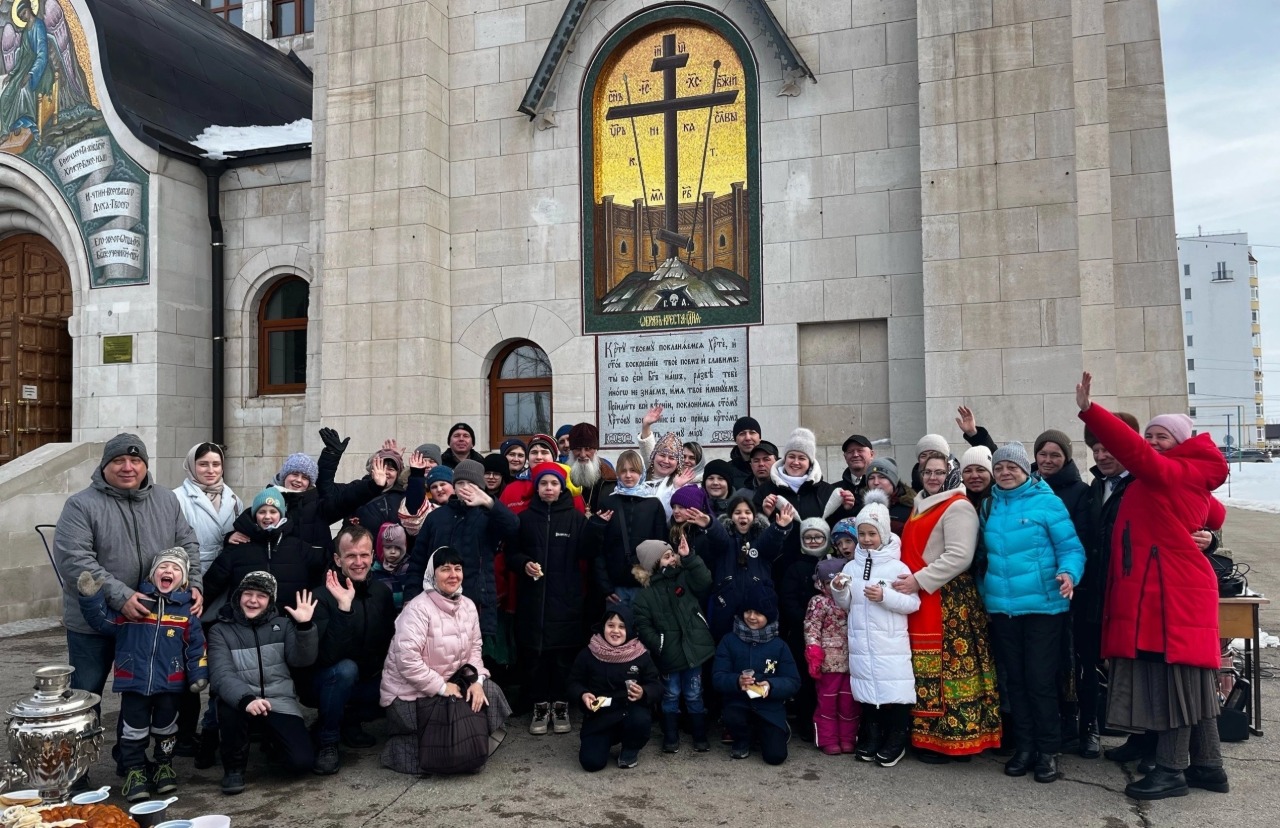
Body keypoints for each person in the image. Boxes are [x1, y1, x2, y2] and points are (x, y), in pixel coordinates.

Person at [1076, 372, 1231, 800]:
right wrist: (1202, 528)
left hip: (1174, 592)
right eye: (1149, 435)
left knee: (1175, 685)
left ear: (1180, 443)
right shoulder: (1176, 476)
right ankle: (1209, 767)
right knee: (1190, 683)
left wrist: (1091, 411)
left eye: (1162, 436)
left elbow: (1137, 455)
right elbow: (1214, 513)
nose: (1153, 442)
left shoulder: (1168, 472)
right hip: (1169, 588)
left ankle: (1171, 770)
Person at [53, 433, 201, 773]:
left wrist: (194, 583)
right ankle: (76, 771)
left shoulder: (165, 500)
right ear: (105, 465)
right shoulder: (81, 505)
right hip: (93, 622)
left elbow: (188, 545)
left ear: (145, 465)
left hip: (149, 622)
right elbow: (75, 561)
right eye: (119, 460)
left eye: (135, 461)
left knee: (141, 692)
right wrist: (121, 596)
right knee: (86, 695)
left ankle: (129, 759)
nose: (128, 467)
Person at [981, 442, 1086, 784]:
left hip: (1044, 606)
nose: (1005, 472)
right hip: (1003, 608)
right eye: (999, 468)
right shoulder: (991, 505)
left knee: (1040, 680)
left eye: (1012, 467)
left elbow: (1071, 548)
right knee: (1016, 680)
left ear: (1026, 471)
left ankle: (1048, 750)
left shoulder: (1047, 502)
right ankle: (1024, 748)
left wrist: (1069, 574)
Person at [893, 448, 1002, 761]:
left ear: (951, 474)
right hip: (923, 595)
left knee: (950, 670)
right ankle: (929, 737)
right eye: (928, 472)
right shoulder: (920, 504)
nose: (933, 477)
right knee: (926, 668)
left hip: (948, 600)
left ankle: (956, 741)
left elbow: (959, 556)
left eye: (939, 472)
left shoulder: (958, 506)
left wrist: (918, 580)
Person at [77, 548, 207, 801]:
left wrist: (198, 675)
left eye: (176, 569)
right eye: (163, 567)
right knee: (133, 731)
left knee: (167, 728)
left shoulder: (186, 612)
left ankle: (163, 766)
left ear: (184, 580)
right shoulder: (135, 604)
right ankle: (135, 771)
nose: (169, 571)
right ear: (152, 574)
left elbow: (196, 647)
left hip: (170, 684)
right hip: (134, 682)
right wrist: (91, 597)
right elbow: (103, 622)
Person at [379, 547, 513, 775]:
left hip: (450, 682)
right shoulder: (418, 609)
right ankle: (424, 751)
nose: (453, 575)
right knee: (437, 738)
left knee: (489, 691)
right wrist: (441, 687)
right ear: (432, 574)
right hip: (410, 693)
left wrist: (477, 681)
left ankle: (469, 744)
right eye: (445, 569)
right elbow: (407, 661)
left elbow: (474, 649)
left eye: (457, 569)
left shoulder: (468, 606)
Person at [207, 572, 318, 795]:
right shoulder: (220, 630)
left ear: (270, 601)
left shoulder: (283, 625)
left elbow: (302, 660)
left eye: (261, 596)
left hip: (279, 700)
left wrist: (304, 627)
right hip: (242, 701)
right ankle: (234, 768)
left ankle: (273, 743)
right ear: (238, 596)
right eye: (248, 593)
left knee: (302, 763)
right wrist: (247, 699)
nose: (253, 600)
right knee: (227, 707)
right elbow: (221, 674)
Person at [831, 492, 920, 767]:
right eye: (862, 534)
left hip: (890, 644)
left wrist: (885, 596)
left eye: (872, 533)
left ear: (883, 533)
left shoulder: (897, 566)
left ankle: (897, 737)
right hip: (861, 642)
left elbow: (912, 603)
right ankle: (871, 735)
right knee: (867, 693)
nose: (867, 539)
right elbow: (847, 604)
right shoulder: (851, 566)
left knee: (896, 692)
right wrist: (839, 589)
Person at [303, 525, 397, 775]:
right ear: (338, 559)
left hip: (367, 678)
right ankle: (328, 740)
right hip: (326, 680)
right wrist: (344, 610)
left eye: (364, 555)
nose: (358, 562)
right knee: (345, 670)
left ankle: (349, 721)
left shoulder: (381, 593)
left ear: (373, 556)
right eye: (351, 556)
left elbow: (389, 642)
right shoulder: (320, 597)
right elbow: (327, 657)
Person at [507, 463, 591, 736]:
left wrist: (597, 526)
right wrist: (524, 564)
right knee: (536, 661)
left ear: (562, 487)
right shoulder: (524, 518)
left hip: (565, 601)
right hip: (533, 603)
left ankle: (561, 706)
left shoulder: (576, 519)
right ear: (537, 487)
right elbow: (512, 554)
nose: (549, 488)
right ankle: (540, 707)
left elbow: (588, 552)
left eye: (554, 483)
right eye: (543, 483)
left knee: (563, 659)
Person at [173, 442, 242, 759]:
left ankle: (213, 727)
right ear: (191, 466)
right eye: (203, 464)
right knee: (187, 664)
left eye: (216, 464)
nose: (211, 470)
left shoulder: (233, 499)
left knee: (219, 661)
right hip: (191, 588)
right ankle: (184, 734)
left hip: (223, 589)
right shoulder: (177, 498)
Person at [401, 460, 520, 643]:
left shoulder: (488, 517)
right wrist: (410, 597)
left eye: (471, 484)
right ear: (454, 487)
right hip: (437, 602)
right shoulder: (435, 518)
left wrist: (489, 502)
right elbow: (418, 562)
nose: (465, 488)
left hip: (476, 603)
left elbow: (513, 527)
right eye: (460, 483)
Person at [631, 537, 714, 754]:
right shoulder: (646, 595)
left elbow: (704, 581)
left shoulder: (684, 577)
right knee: (670, 695)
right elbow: (643, 625)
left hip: (694, 649)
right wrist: (659, 644)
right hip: (669, 654)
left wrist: (689, 558)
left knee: (694, 693)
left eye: (672, 555)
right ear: (654, 564)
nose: (673, 559)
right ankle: (670, 735)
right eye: (667, 557)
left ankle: (699, 734)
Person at [256, 428, 389, 555]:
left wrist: (373, 486)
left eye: (305, 477)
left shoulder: (318, 505)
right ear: (284, 475)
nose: (298, 480)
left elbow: (347, 498)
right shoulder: (267, 499)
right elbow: (249, 520)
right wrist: (242, 532)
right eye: (294, 474)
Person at [202, 487, 328, 615]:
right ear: (255, 515)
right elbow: (211, 584)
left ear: (281, 514)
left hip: (287, 621)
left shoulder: (299, 547)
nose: (267, 516)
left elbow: (330, 561)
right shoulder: (238, 547)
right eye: (262, 512)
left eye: (273, 511)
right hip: (244, 621)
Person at [712, 583, 800, 764]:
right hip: (738, 704)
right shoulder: (729, 640)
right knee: (733, 715)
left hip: (770, 707)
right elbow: (717, 677)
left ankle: (770, 732)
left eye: (758, 613)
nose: (751, 617)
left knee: (775, 757)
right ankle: (742, 739)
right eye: (748, 611)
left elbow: (793, 681)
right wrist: (737, 681)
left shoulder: (780, 645)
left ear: (769, 615)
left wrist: (771, 685)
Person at [566, 607, 663, 771]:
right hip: (600, 713)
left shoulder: (640, 654)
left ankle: (630, 748)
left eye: (622, 626)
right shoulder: (589, 653)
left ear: (630, 629)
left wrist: (643, 692)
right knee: (591, 763)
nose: (615, 631)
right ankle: (603, 742)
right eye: (611, 625)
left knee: (640, 718)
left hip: (629, 711)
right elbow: (573, 682)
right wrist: (583, 694)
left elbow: (657, 686)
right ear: (603, 626)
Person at [587, 450, 668, 609]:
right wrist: (605, 586)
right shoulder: (608, 502)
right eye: (623, 471)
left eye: (633, 470)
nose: (628, 475)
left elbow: (662, 547)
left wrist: (655, 583)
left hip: (645, 586)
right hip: (615, 588)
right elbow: (598, 548)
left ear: (641, 472)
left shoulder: (653, 504)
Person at [706, 495, 786, 641]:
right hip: (726, 602)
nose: (743, 516)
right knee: (726, 643)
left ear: (754, 517)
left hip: (757, 606)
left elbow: (771, 542)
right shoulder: (725, 540)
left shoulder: (761, 538)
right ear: (730, 517)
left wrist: (779, 528)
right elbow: (717, 537)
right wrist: (710, 524)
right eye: (737, 512)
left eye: (748, 512)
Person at [804, 557, 858, 756]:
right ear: (821, 583)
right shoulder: (819, 602)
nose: (833, 587)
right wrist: (814, 652)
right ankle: (828, 739)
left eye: (838, 582)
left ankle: (848, 738)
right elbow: (812, 628)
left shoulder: (851, 600)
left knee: (848, 703)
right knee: (827, 702)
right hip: (829, 662)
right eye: (828, 583)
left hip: (851, 661)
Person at [344, 442, 409, 533]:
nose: (385, 472)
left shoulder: (404, 497)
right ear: (372, 470)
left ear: (397, 474)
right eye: (381, 467)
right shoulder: (359, 491)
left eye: (391, 469)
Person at [568, 423, 617, 515]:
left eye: (588, 449)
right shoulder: (562, 477)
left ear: (595, 451)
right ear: (571, 451)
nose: (583, 455)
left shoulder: (609, 478)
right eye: (578, 449)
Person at [399, 445, 444, 535]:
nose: (427, 465)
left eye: (431, 461)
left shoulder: (449, 485)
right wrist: (417, 473)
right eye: (422, 460)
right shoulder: (405, 486)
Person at [372, 523, 411, 610]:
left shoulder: (409, 569)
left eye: (397, 548)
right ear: (381, 547)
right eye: (388, 547)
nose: (393, 551)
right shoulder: (374, 571)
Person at [727, 416, 763, 491]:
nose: (747, 438)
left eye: (752, 433)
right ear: (735, 440)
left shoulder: (775, 467)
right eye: (742, 434)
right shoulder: (727, 470)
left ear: (759, 437)